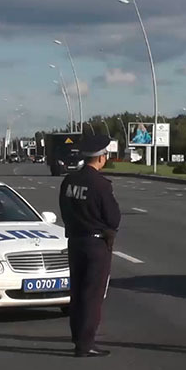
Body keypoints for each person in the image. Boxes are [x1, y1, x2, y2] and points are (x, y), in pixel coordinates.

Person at [59, 135, 121, 358]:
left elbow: (64, 210)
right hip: (96, 244)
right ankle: (86, 344)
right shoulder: (101, 185)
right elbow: (113, 218)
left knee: (77, 292)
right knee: (92, 295)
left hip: (75, 241)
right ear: (102, 158)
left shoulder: (69, 181)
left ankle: (78, 336)